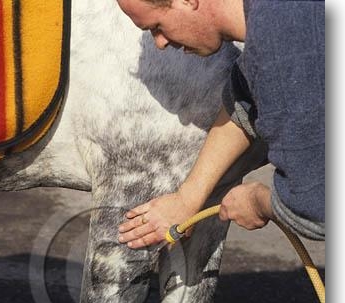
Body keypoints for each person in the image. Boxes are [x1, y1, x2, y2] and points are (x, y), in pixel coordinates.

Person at [116, 0, 325, 249]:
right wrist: (186, 199)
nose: (159, 43)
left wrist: (258, 202)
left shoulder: (284, 51)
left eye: (157, 27)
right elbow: (243, 100)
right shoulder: (275, 18)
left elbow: (317, 210)